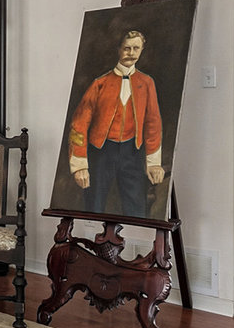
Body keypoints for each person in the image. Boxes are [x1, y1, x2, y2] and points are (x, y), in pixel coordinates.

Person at [67, 30, 164, 216]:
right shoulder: (100, 83)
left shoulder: (147, 83)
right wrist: (79, 166)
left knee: (136, 210)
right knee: (94, 208)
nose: (131, 53)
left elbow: (153, 123)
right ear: (118, 49)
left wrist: (153, 163)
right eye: (126, 48)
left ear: (142, 50)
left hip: (133, 153)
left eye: (136, 48)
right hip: (101, 153)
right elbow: (79, 125)